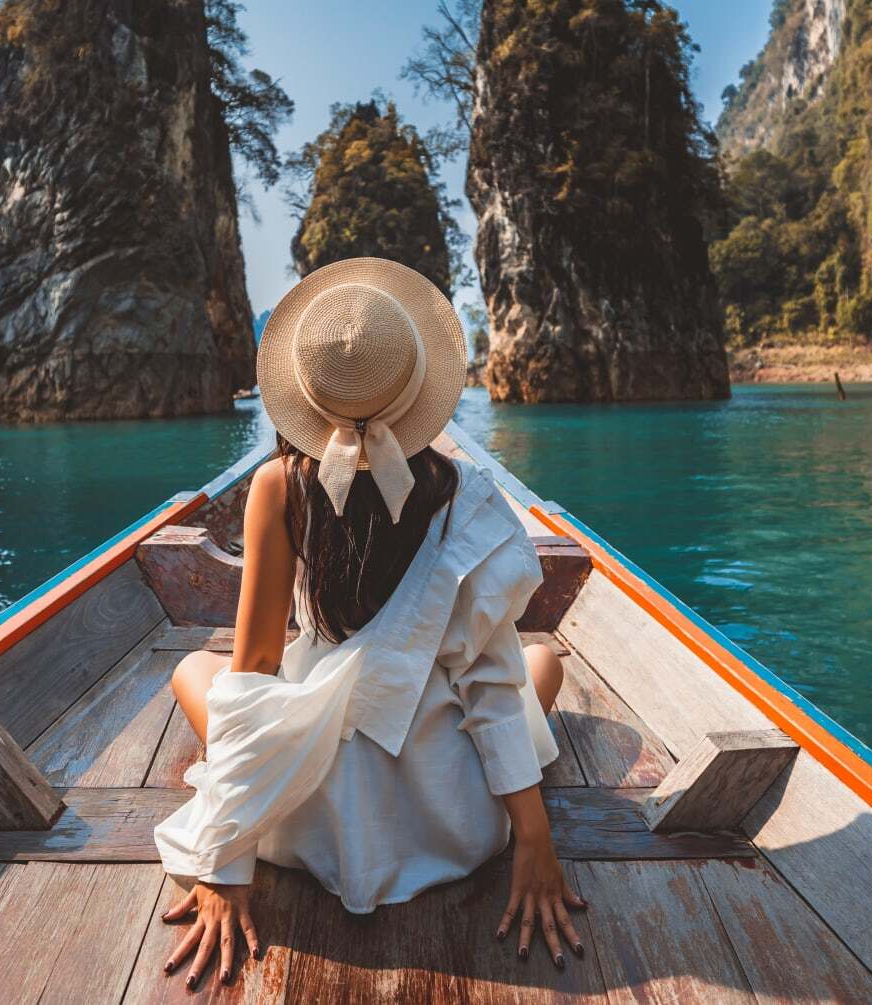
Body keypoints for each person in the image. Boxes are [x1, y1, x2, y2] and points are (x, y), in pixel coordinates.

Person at [152, 258, 585, 990]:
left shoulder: (277, 486)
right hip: (450, 817)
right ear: (417, 385)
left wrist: (227, 857)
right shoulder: (461, 495)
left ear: (305, 396)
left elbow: (255, 671)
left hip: (305, 809)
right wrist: (533, 840)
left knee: (194, 669)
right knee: (541, 665)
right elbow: (487, 681)